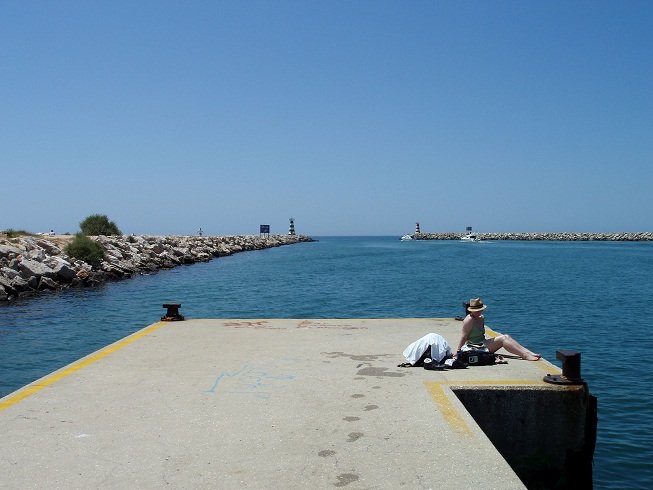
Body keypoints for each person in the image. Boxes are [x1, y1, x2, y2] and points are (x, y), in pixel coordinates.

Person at [455, 297, 541, 361]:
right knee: (503, 339)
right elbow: (464, 337)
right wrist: (458, 352)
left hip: (483, 343)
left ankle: (528, 352)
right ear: (471, 310)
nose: (479, 312)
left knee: (506, 336)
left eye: (480, 310)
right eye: (477, 311)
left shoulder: (481, 317)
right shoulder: (469, 320)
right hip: (475, 347)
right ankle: (525, 355)